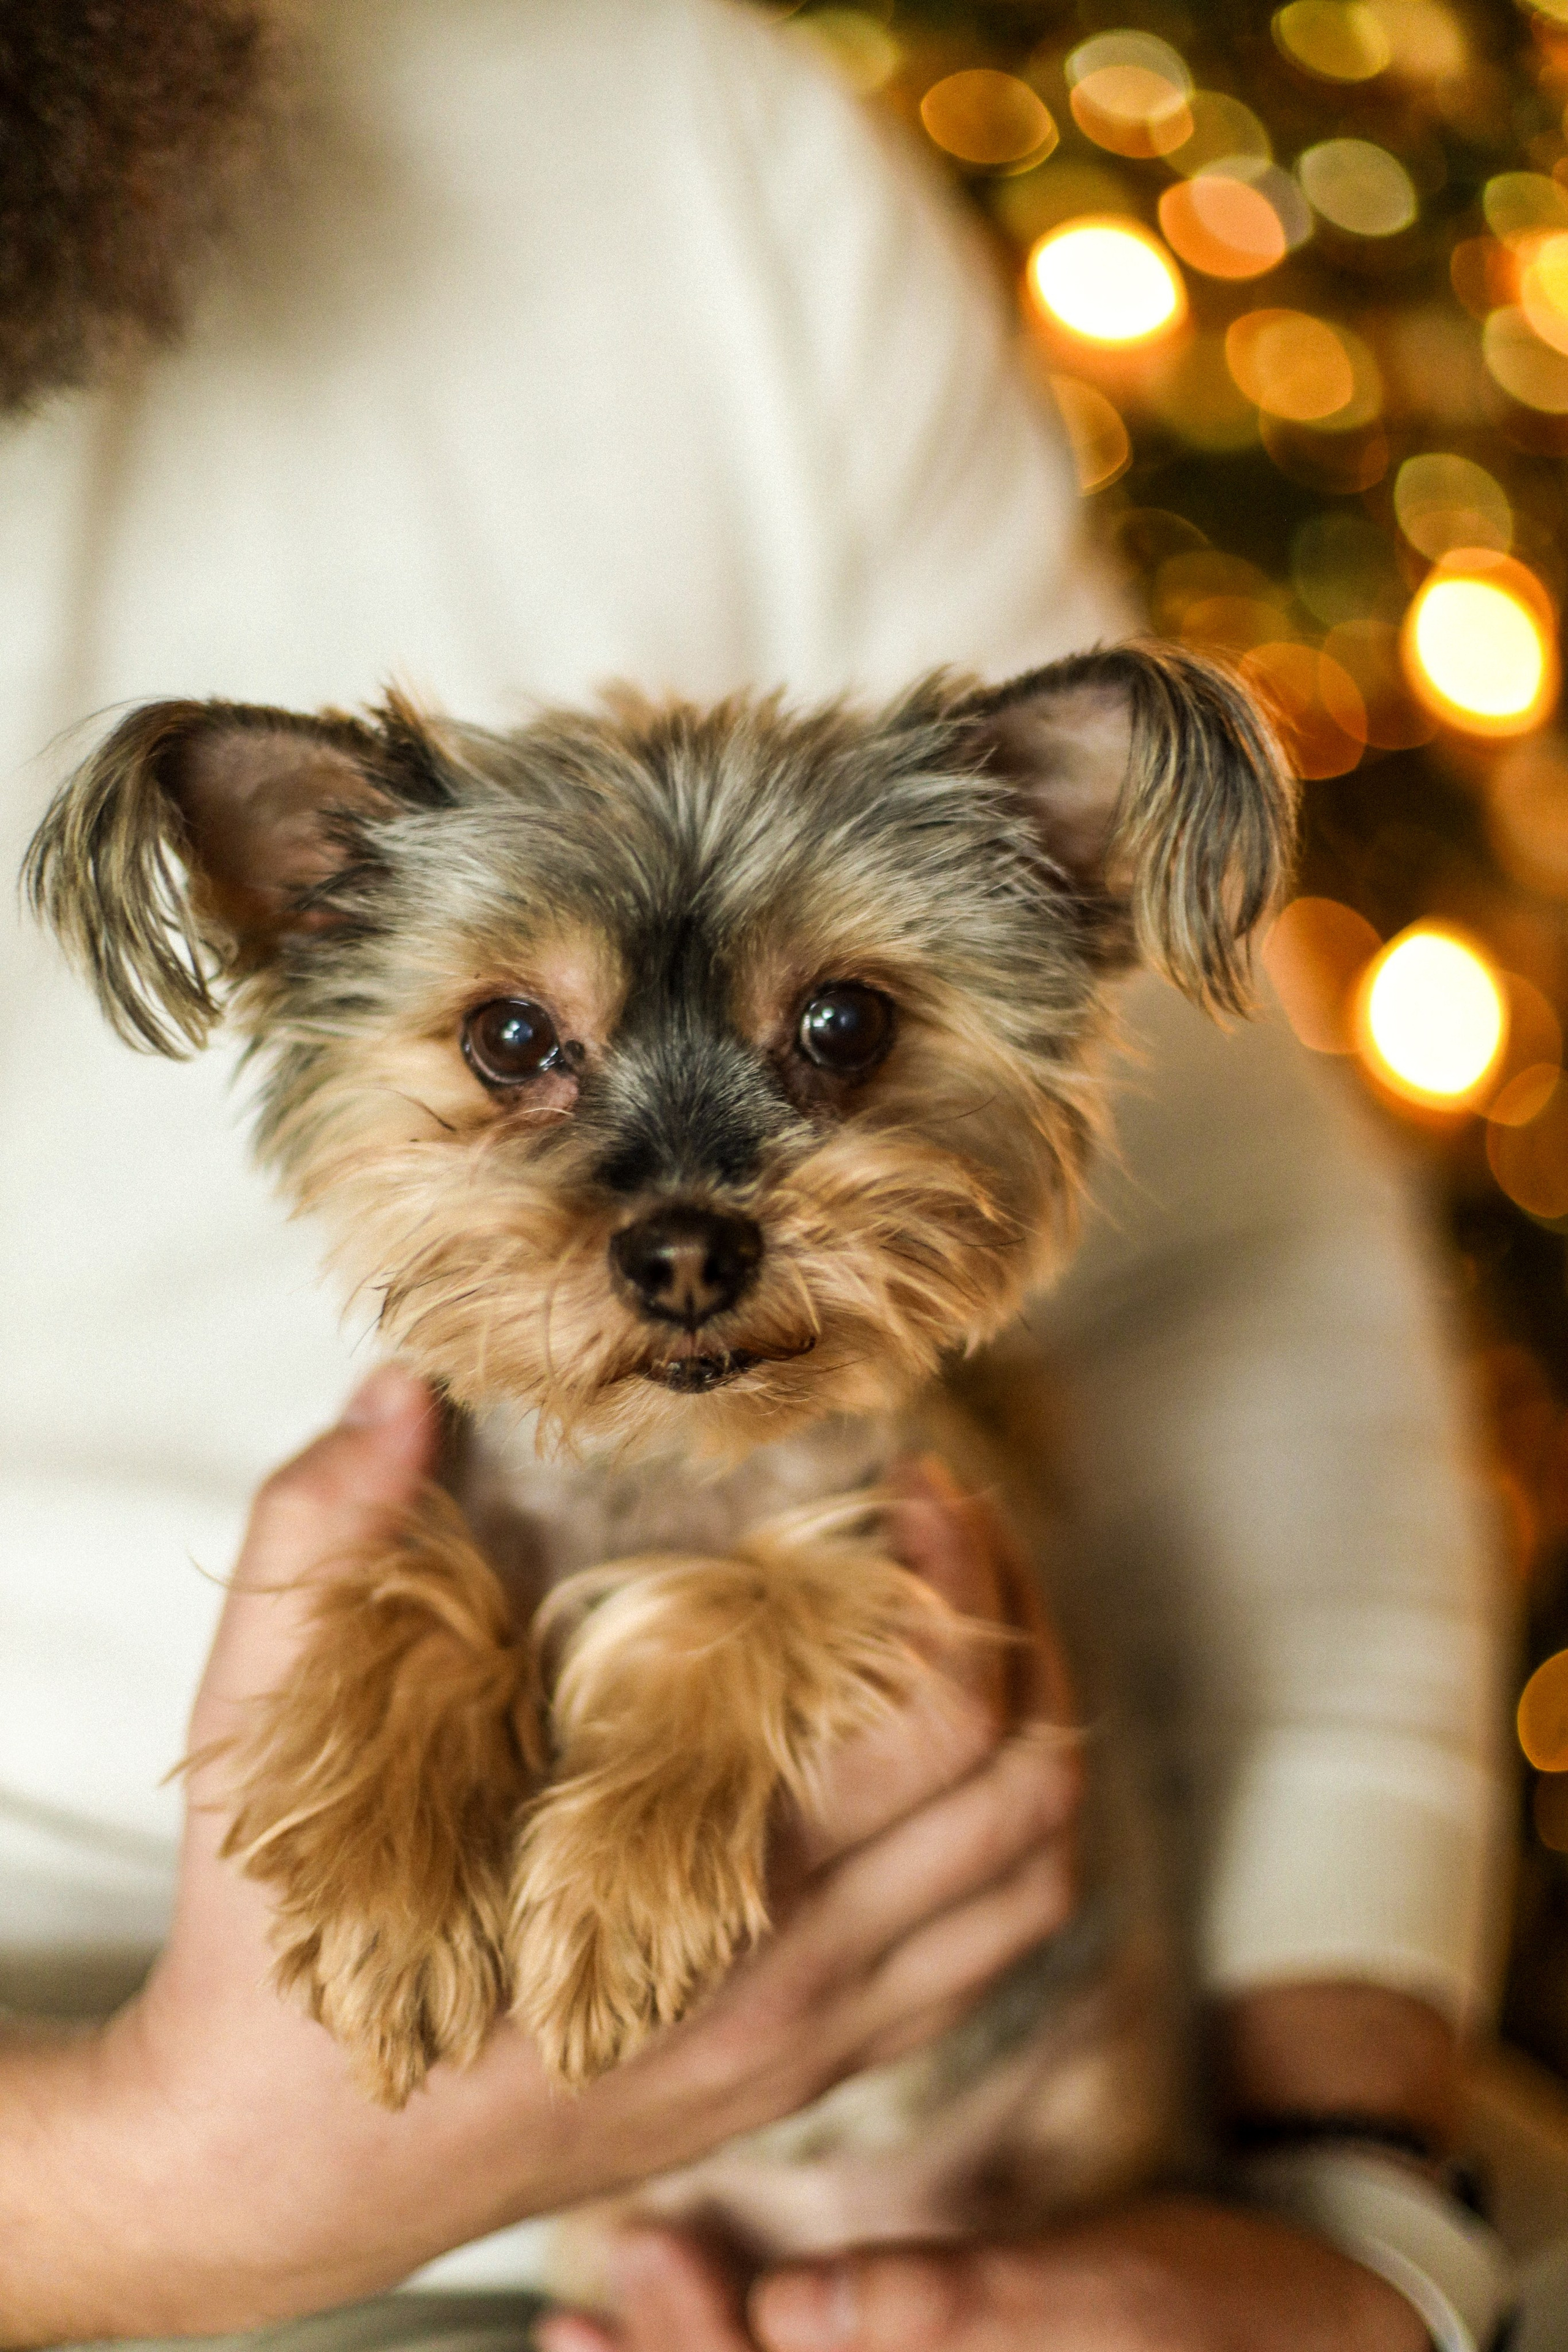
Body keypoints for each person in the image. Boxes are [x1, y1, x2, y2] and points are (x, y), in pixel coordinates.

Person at [0, 0, 1510, 2342]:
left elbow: (1228, 1242)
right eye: (518, 1052)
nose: (687, 1198)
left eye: (838, 1037)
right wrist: (161, 2192)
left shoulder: (670, 124)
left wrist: (1342, 2218)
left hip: (1096, 2158)